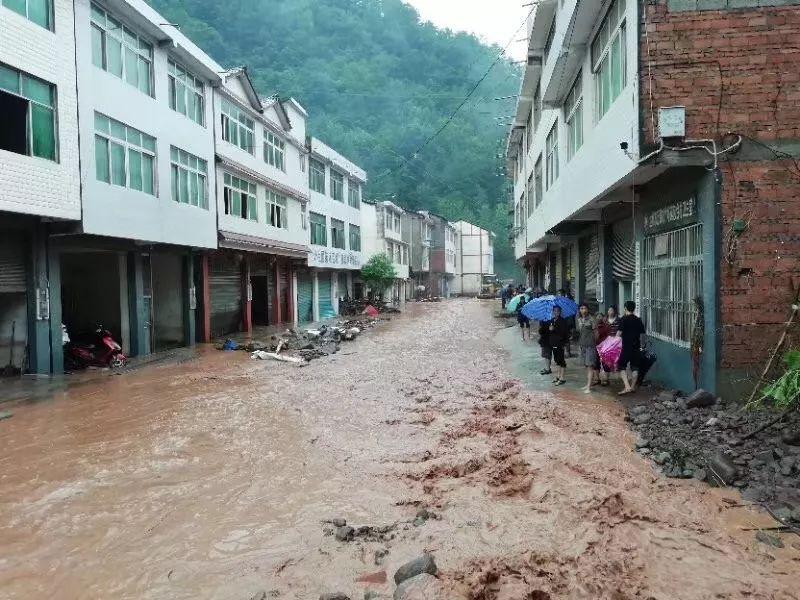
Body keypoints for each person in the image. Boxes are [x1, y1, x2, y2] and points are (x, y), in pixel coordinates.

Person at [617, 300, 646, 395]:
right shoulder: (638, 320)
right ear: (634, 309)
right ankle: (632, 387)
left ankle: (627, 387)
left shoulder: (623, 319)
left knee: (621, 366)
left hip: (625, 347)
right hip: (636, 347)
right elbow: (642, 335)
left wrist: (614, 343)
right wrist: (642, 346)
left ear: (625, 308)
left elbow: (619, 334)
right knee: (635, 368)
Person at [576, 303, 599, 393]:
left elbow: (596, 333)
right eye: (581, 308)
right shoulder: (579, 319)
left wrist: (593, 342)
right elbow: (579, 332)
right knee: (586, 366)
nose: (583, 310)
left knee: (590, 366)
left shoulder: (592, 319)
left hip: (590, 346)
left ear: (588, 309)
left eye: (585, 308)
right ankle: (588, 384)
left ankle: (589, 387)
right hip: (582, 345)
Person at [596, 305, 619, 386]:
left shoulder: (618, 320)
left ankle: (608, 376)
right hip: (605, 343)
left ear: (615, 311)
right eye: (609, 310)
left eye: (611, 310)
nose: (610, 312)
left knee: (612, 360)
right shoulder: (605, 320)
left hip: (615, 343)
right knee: (604, 360)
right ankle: (606, 378)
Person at [548, 305, 570, 385]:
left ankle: (562, 378)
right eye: (554, 311)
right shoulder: (552, 320)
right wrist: (550, 330)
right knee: (557, 360)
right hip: (553, 343)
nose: (556, 312)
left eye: (557, 311)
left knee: (561, 361)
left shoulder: (563, 321)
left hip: (560, 343)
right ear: (553, 311)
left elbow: (564, 333)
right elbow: (550, 331)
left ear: (560, 312)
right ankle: (558, 376)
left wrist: (554, 329)